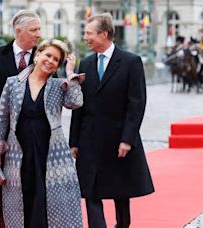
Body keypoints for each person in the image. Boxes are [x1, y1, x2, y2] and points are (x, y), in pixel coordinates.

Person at [0, 39, 84, 228]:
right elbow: (1, 118)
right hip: (19, 153)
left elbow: (76, 102)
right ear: (38, 54)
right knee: (23, 199)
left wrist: (71, 72)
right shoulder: (13, 83)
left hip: (51, 153)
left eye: (56, 60)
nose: (51, 61)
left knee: (48, 201)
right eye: (48, 55)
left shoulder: (59, 85)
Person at [69, 13, 154, 228]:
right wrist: (74, 141)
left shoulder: (130, 62)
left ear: (104, 34)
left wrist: (128, 139)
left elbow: (137, 104)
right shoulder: (85, 63)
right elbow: (79, 105)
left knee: (120, 191)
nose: (85, 37)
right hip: (90, 138)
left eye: (89, 33)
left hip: (118, 138)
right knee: (90, 190)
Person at [0, 10, 41, 228]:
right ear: (18, 31)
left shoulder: (44, 56)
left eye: (39, 29)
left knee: (34, 197)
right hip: (2, 141)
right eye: (34, 30)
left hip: (34, 141)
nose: (38, 34)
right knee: (4, 198)